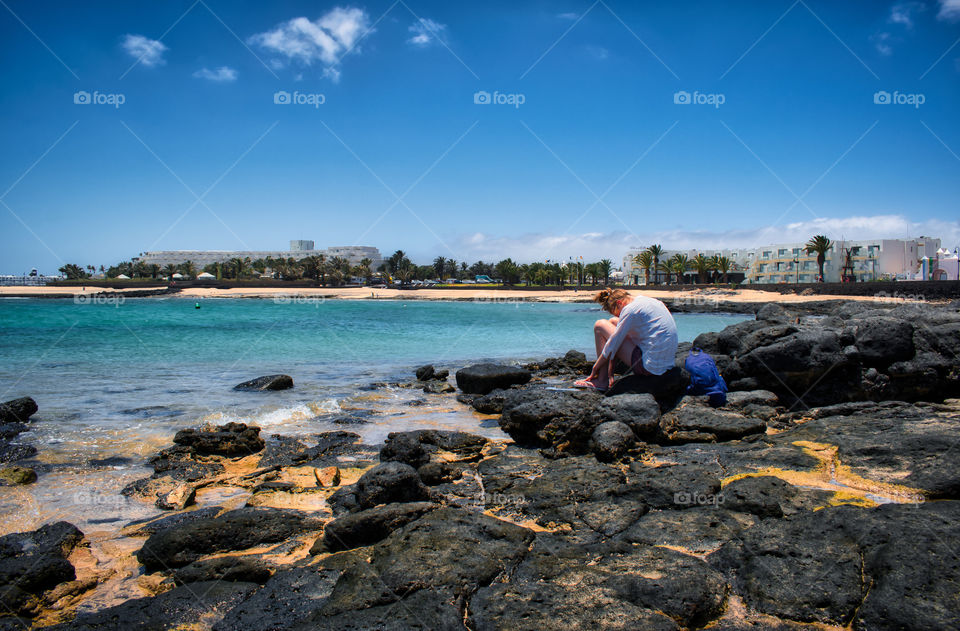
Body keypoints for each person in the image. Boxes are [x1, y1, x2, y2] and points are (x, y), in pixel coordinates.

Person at [574, 288, 679, 392]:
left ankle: (601, 381)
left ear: (619, 303)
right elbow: (616, 340)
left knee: (600, 325)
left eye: (618, 313)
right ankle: (605, 376)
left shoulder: (630, 310)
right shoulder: (647, 301)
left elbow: (613, 344)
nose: (619, 315)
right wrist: (611, 370)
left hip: (650, 367)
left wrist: (596, 367)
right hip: (665, 364)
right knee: (614, 322)